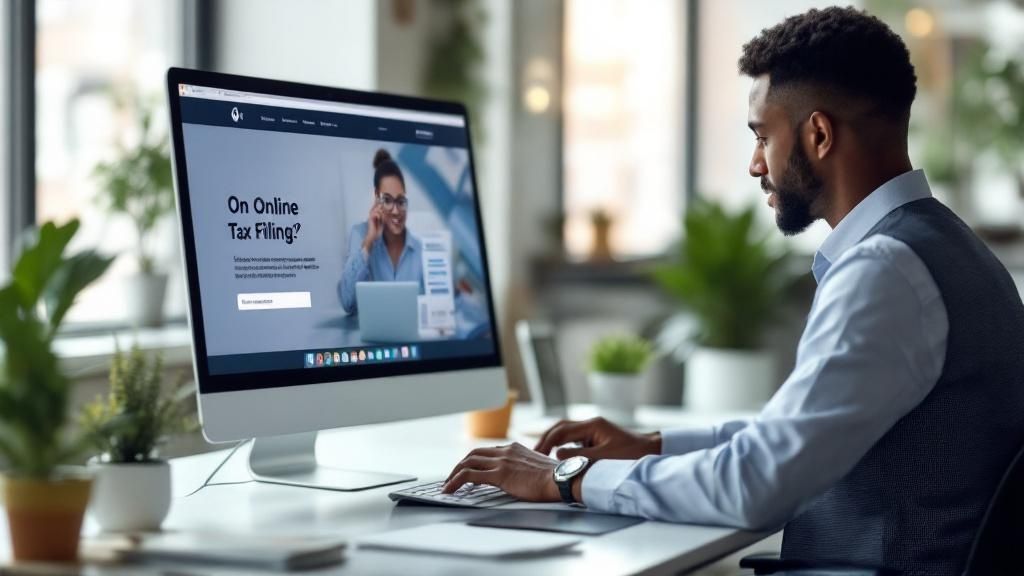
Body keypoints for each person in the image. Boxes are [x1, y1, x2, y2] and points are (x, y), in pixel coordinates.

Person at [443, 7, 1024, 573]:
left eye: (761, 137)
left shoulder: (886, 271)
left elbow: (754, 484)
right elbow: (803, 434)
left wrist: (561, 478)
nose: (754, 165)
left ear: (818, 133)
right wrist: (652, 446)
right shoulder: (953, 250)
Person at [339, 149, 423, 314]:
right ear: (377, 198)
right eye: (387, 200)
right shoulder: (360, 234)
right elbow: (347, 303)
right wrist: (369, 242)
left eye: (400, 201)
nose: (395, 211)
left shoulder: (418, 249)